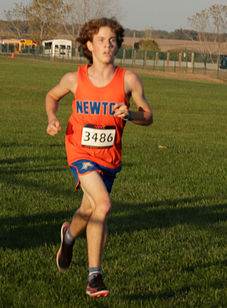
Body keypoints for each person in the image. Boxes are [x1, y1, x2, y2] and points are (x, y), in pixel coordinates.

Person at [45, 18, 153, 298]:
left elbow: (148, 116)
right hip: (79, 152)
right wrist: (52, 118)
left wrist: (130, 114)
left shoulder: (128, 79)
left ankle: (69, 236)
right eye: (102, 40)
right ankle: (94, 277)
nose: (108, 45)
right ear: (89, 45)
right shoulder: (75, 78)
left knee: (89, 211)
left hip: (109, 158)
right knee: (103, 205)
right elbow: (52, 96)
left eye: (112, 40)